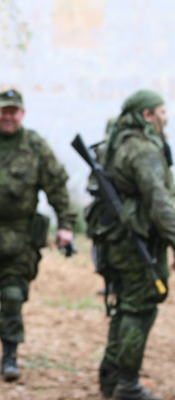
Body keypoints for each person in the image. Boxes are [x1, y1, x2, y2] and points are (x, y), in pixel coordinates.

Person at [0, 89, 76, 381]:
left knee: (12, 295)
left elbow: (56, 186)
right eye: (4, 111)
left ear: (21, 114)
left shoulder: (35, 145)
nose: (8, 117)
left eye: (13, 112)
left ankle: (10, 354)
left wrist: (66, 224)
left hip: (18, 237)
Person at [94, 89, 172, 400]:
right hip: (139, 243)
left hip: (119, 241)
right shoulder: (142, 150)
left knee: (126, 308)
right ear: (147, 115)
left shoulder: (118, 144)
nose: (166, 118)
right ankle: (126, 384)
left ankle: (111, 377)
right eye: (162, 112)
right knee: (139, 310)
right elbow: (160, 204)